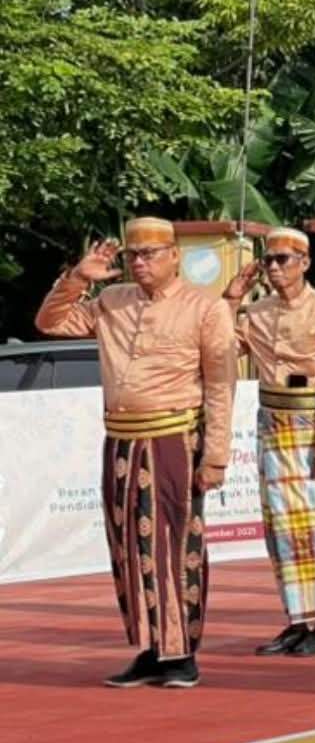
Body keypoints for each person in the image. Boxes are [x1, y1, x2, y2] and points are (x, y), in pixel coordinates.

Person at [36, 218, 236, 689]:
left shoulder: (205, 309)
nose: (141, 263)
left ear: (175, 256)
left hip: (174, 439)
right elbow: (49, 322)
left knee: (172, 547)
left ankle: (181, 652)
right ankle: (151, 648)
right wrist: (79, 278)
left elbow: (222, 387)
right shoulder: (111, 300)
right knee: (130, 548)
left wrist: (217, 456)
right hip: (122, 439)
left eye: (150, 253)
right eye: (133, 255)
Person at [223, 227, 315, 658]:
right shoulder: (257, 311)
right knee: (281, 528)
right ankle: (298, 619)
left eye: (284, 259)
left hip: (310, 420)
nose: (275, 267)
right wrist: (230, 299)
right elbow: (221, 348)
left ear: (305, 262)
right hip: (272, 422)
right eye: (269, 260)